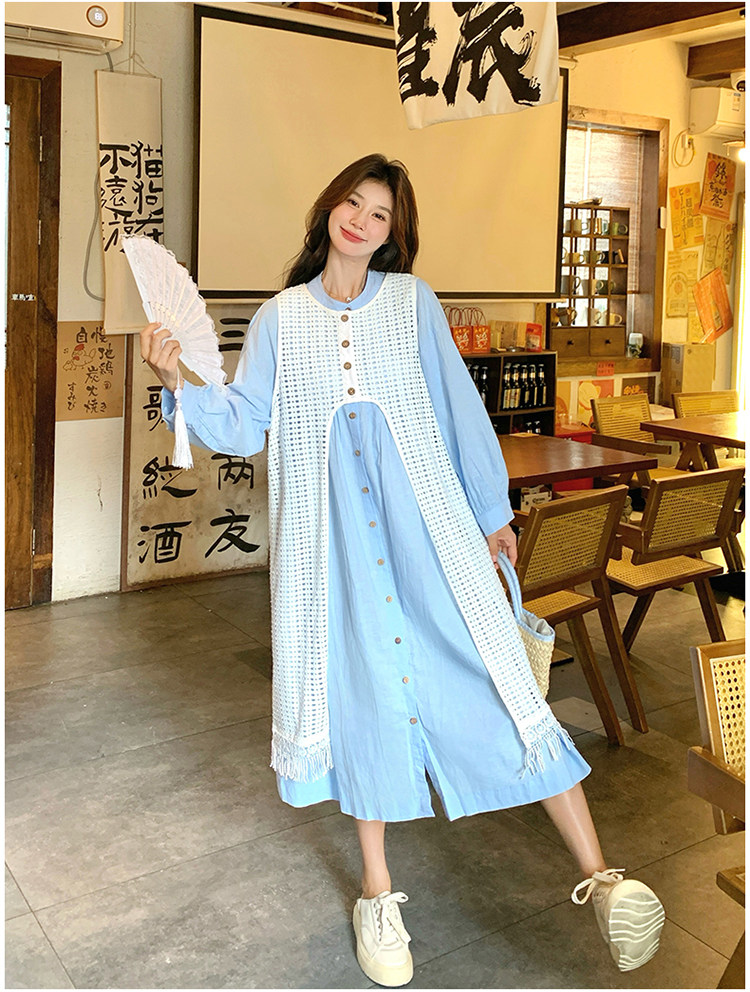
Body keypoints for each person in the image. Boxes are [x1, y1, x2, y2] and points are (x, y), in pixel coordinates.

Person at [140, 153, 664, 987]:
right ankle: (377, 894)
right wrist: (175, 379)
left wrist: (492, 514)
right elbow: (242, 424)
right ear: (329, 209)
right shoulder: (279, 318)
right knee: (363, 696)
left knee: (503, 679)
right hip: (333, 552)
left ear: (392, 233)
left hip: (435, 534)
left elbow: (460, 409)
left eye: (379, 213)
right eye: (352, 202)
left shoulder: (412, 302)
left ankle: (603, 880)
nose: (361, 220)